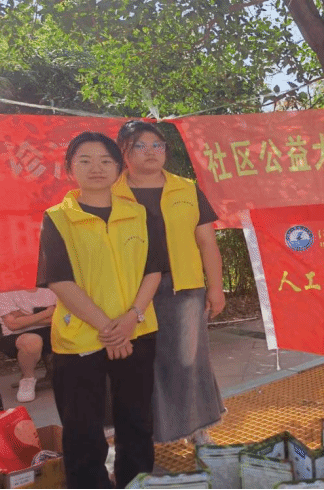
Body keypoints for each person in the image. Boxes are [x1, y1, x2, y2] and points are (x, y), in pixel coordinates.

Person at [37, 132, 162, 488]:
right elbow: (59, 280)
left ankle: (136, 482)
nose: (96, 168)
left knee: (136, 421)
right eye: (85, 161)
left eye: (106, 161)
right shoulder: (57, 218)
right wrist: (110, 328)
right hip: (79, 339)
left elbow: (154, 269)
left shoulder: (140, 214)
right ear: (69, 169)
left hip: (137, 331)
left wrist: (131, 318)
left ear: (119, 168)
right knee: (82, 430)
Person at [113, 120, 225, 444]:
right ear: (124, 152)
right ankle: (143, 435)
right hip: (129, 292)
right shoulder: (110, 192)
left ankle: (197, 429)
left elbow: (206, 242)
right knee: (138, 363)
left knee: (189, 361)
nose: (150, 152)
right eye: (140, 145)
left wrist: (215, 288)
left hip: (183, 289)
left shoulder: (186, 188)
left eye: (157, 145)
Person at [0, 288, 56, 402]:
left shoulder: (51, 284)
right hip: (16, 335)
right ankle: (27, 379)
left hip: (52, 329)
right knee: (32, 341)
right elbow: (13, 325)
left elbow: (63, 316)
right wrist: (47, 312)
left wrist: (24, 318)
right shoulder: (4, 289)